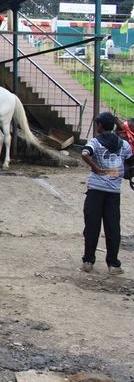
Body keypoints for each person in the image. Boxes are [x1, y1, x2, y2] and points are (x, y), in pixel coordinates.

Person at [80, 112, 132, 275]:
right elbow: (130, 163)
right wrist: (124, 173)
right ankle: (113, 264)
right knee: (113, 227)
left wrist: (96, 168)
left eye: (97, 125)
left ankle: (88, 261)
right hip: (113, 192)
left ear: (100, 126)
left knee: (92, 226)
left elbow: (84, 153)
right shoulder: (124, 145)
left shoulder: (95, 142)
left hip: (96, 190)